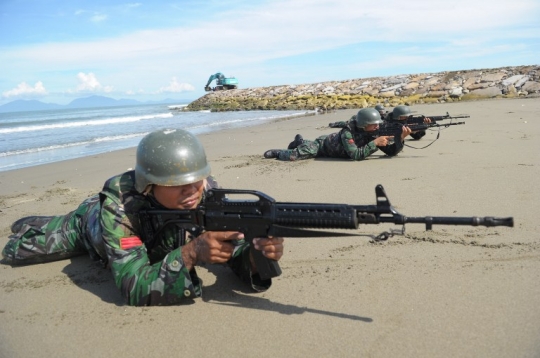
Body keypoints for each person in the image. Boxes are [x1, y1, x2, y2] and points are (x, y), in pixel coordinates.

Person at [2, 129, 284, 306]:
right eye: (176, 183)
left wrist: (255, 257)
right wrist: (191, 254)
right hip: (89, 224)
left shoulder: (206, 190)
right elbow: (133, 287)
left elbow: (232, 250)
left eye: (196, 179)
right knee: (20, 249)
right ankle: (33, 223)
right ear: (150, 184)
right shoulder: (120, 206)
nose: (191, 191)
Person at [264, 107, 411, 161]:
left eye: (378, 124)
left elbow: (391, 152)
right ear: (364, 124)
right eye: (374, 124)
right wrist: (375, 143)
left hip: (333, 152)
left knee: (304, 147)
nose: (377, 126)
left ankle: (301, 141)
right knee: (294, 156)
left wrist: (400, 139)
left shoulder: (374, 133)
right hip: (321, 146)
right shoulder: (348, 132)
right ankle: (279, 152)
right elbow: (355, 155)